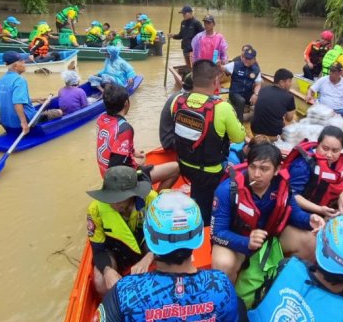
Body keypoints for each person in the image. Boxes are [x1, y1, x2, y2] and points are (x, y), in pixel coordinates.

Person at [62, 191, 245, 322]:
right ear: (198, 238)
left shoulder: (126, 291)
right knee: (238, 306)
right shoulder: (219, 284)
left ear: (150, 240)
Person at [210, 143, 324, 282]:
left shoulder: (282, 185)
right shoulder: (227, 190)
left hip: (269, 237)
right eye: (253, 167)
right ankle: (233, 299)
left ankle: (277, 285)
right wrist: (247, 242)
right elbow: (217, 234)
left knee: (311, 242)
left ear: (277, 170)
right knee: (223, 264)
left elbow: (295, 214)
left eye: (264, 169)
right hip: (237, 240)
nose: (256, 175)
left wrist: (310, 219)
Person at [161, 60, 246, 224]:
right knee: (238, 151)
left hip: (184, 164)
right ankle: (205, 225)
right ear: (216, 81)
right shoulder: (222, 107)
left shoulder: (176, 101)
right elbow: (239, 138)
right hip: (210, 172)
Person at [85, 166, 157, 295]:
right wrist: (107, 270)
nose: (114, 204)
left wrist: (149, 257)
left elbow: (164, 236)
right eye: (110, 198)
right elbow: (98, 250)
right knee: (100, 282)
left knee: (167, 261)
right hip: (116, 251)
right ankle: (113, 309)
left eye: (119, 198)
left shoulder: (151, 199)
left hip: (147, 245)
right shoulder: (95, 209)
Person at [95, 83, 179, 188]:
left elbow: (111, 143)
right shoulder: (125, 128)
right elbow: (117, 167)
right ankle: (155, 199)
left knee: (141, 157)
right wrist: (138, 167)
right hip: (119, 180)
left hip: (104, 173)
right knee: (176, 168)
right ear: (126, 103)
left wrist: (132, 151)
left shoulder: (101, 118)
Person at [286, 126, 343, 217]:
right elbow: (291, 195)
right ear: (318, 144)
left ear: (341, 150)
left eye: (335, 150)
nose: (329, 155)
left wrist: (342, 202)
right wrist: (319, 210)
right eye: (325, 148)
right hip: (298, 211)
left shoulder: (335, 163)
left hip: (322, 209)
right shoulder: (303, 165)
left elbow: (335, 183)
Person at [0, 51, 62, 133]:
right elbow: (17, 102)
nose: (24, 63)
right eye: (22, 62)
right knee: (59, 112)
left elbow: (10, 99)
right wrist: (24, 123)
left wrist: (36, 100)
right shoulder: (19, 80)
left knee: (40, 108)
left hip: (5, 122)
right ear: (16, 66)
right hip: (21, 122)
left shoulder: (1, 80)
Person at [250, 68, 296, 139]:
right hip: (272, 135)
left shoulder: (263, 89)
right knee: (293, 120)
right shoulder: (289, 97)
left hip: (254, 130)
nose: (291, 84)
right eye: (289, 81)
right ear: (281, 83)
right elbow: (289, 119)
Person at [223, 46, 261, 121]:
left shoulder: (256, 70)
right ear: (242, 57)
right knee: (241, 101)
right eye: (245, 58)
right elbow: (222, 68)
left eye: (249, 59)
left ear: (254, 60)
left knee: (261, 100)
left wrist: (255, 94)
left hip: (248, 93)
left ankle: (256, 120)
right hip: (235, 93)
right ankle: (239, 123)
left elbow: (258, 84)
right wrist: (218, 65)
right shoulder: (235, 65)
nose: (247, 60)